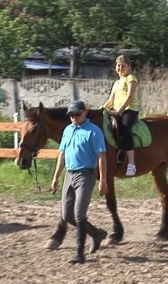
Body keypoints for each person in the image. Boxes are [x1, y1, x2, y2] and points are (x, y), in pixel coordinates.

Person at [51, 100, 109, 264]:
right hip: (69, 175)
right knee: (67, 215)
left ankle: (79, 253)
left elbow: (101, 156)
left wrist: (103, 180)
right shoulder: (68, 130)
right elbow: (62, 154)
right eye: (71, 115)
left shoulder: (94, 132)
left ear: (85, 113)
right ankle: (96, 234)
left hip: (85, 175)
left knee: (79, 214)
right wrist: (56, 177)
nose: (73, 118)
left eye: (76, 114)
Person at [102, 55, 140, 176]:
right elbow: (110, 101)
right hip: (116, 111)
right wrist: (101, 110)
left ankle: (132, 163)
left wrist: (120, 111)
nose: (120, 67)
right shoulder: (116, 83)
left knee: (124, 128)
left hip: (129, 110)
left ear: (128, 67)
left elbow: (129, 97)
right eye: (118, 65)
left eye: (123, 65)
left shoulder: (131, 79)